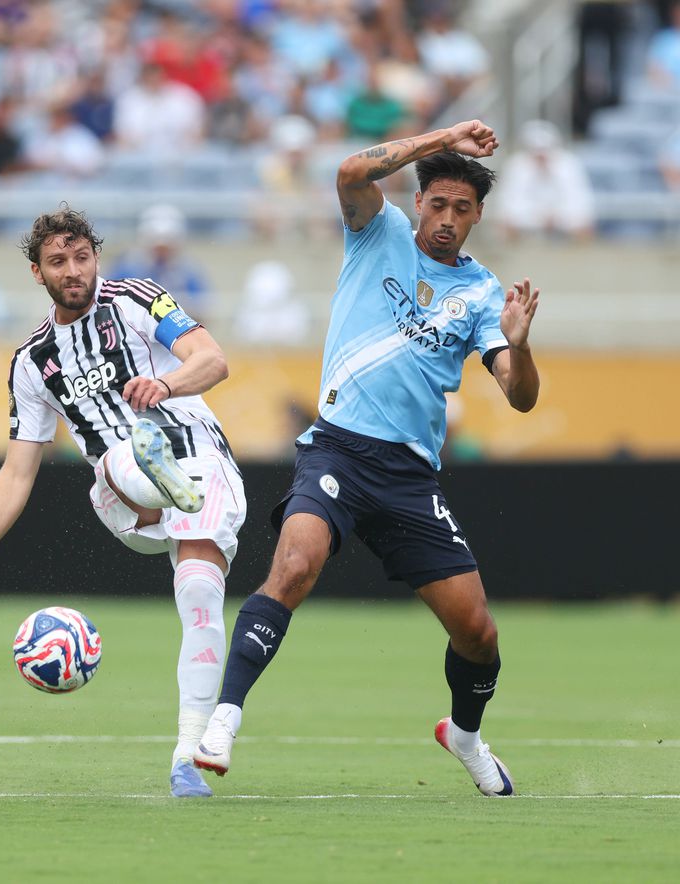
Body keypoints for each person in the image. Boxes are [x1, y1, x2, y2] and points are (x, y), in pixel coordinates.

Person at [194, 121, 541, 798]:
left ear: (478, 216)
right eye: (437, 203)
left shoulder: (481, 294)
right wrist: (443, 138)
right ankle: (224, 720)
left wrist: (522, 345)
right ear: (417, 202)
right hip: (338, 449)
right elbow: (352, 170)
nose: (447, 219)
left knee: (478, 632)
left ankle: (465, 735)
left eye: (462, 209)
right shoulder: (374, 231)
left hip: (410, 475)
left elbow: (520, 398)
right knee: (294, 566)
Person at [0, 206, 246, 800]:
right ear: (37, 273)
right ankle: (151, 475)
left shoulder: (136, 298)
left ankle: (188, 755)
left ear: (95, 258)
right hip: (120, 492)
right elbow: (18, 470)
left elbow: (213, 359)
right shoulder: (31, 363)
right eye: (58, 262)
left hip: (199, 458)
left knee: (202, 598)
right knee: (117, 452)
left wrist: (166, 385)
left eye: (82, 257)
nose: (73, 270)